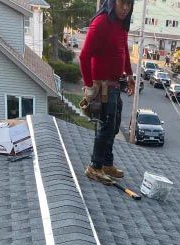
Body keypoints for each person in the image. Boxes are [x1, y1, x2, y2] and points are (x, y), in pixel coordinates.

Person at [79, 0, 135, 184]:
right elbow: (84, 56)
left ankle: (107, 164)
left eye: (129, 4)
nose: (125, 8)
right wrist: (89, 86)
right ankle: (94, 167)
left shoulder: (121, 24)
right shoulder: (102, 22)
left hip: (114, 84)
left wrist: (130, 75)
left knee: (114, 125)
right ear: (112, 2)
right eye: (122, 3)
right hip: (101, 85)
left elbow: (123, 50)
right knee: (106, 126)